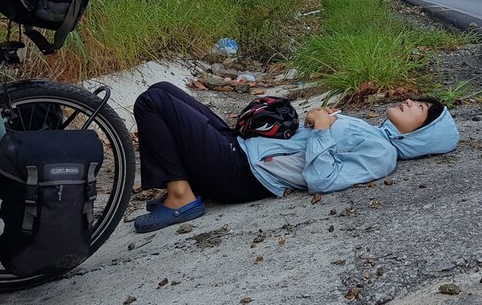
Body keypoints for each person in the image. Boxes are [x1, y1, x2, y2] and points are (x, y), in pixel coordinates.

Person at [131, 82, 460, 233]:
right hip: (245, 148)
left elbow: (323, 180)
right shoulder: (373, 133)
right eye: (417, 100)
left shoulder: (383, 155)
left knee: (153, 101)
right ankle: (184, 183)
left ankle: (181, 196)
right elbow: (316, 143)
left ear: (420, 135)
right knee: (164, 88)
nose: (412, 102)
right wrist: (316, 121)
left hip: (243, 172)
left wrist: (321, 129)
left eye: (422, 110)